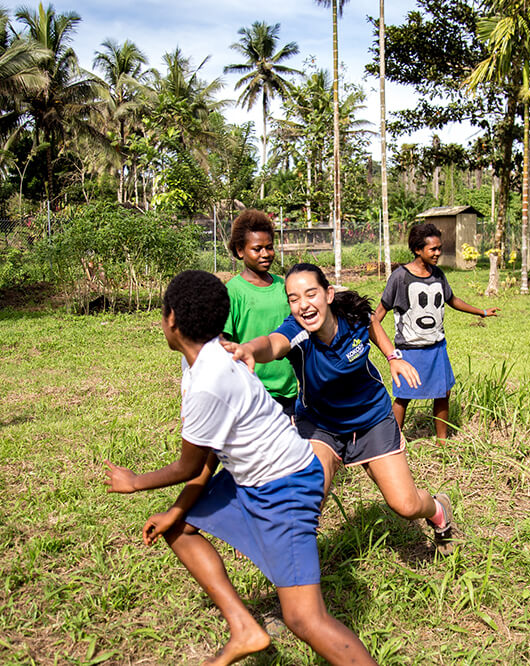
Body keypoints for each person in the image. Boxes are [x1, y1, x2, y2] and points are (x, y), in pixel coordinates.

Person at [104, 270, 376, 666]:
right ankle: (245, 629)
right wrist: (176, 512)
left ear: (172, 320)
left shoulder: (206, 383)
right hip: (249, 477)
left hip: (286, 487)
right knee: (179, 528)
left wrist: (135, 482)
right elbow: (210, 457)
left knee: (304, 618)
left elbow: (190, 466)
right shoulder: (209, 355)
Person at [228, 263, 457, 555]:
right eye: (293, 298)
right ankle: (294, 566)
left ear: (329, 294)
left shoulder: (352, 315)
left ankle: (439, 510)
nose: (303, 305)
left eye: (310, 294)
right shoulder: (296, 332)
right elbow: (273, 344)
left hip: (371, 419)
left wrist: (392, 356)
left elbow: (372, 322)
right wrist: (249, 349)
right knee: (308, 497)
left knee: (406, 504)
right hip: (321, 425)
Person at [373, 223, 499, 443]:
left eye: (439, 248)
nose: (438, 253)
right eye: (433, 249)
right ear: (417, 250)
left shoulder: (438, 275)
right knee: (404, 396)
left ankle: (443, 440)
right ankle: (394, 442)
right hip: (409, 350)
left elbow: (452, 300)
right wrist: (369, 335)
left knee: (443, 393)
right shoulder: (399, 277)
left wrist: (482, 312)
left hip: (436, 347)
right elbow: (379, 313)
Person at [223, 209, 298, 415]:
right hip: (251, 393)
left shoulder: (285, 286)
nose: (265, 254)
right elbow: (223, 343)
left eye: (269, 247)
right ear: (240, 251)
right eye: (257, 249)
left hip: (291, 392)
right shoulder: (233, 291)